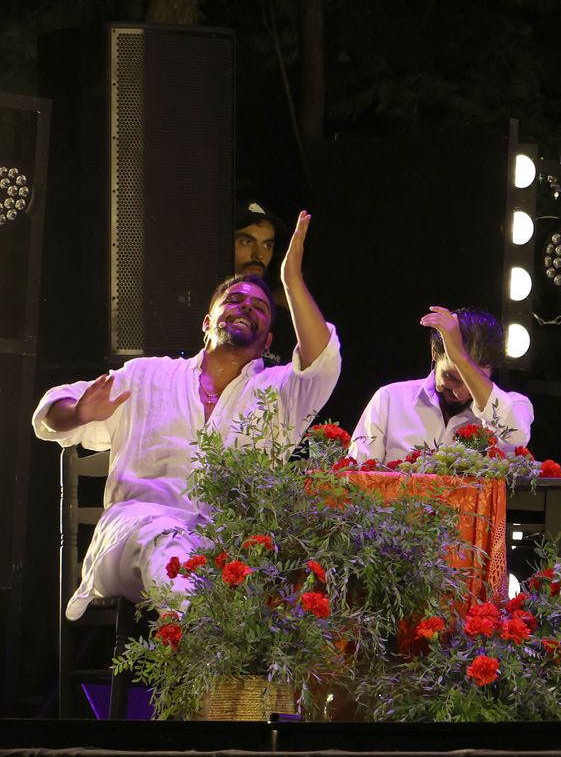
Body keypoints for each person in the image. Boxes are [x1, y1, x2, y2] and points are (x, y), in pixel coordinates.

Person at [34, 210, 340, 618]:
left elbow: (323, 363)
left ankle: (206, 638)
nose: (245, 307)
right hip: (138, 531)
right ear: (207, 322)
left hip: (230, 547)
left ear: (268, 340)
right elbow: (50, 412)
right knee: (164, 542)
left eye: (259, 307)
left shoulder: (281, 392)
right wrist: (78, 412)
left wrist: (291, 282)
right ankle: (199, 631)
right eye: (234, 300)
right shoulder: (146, 376)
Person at [351, 307, 534, 463]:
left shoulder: (516, 405)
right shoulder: (390, 399)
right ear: (434, 352)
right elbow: (356, 475)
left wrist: (460, 358)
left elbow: (515, 439)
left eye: (470, 380)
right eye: (452, 377)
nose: (460, 393)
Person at [233, 200, 296, 364]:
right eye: (246, 242)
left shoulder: (282, 322)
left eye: (267, 245)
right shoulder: (194, 306)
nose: (259, 255)